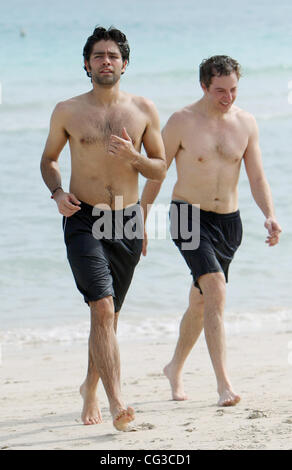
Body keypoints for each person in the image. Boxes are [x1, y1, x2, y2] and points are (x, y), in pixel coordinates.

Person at [40, 26, 166, 430]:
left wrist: (134, 157)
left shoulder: (144, 109)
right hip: (83, 218)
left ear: (124, 64)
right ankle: (117, 401)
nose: (105, 61)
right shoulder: (67, 110)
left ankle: (89, 388)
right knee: (103, 306)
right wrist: (58, 192)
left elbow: (161, 168)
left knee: (107, 319)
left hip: (126, 219)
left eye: (112, 55)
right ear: (86, 63)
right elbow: (49, 159)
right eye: (98, 55)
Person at [141, 55, 281, 407]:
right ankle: (224, 385)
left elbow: (257, 176)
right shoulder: (181, 122)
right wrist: (140, 219)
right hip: (187, 215)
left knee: (202, 301)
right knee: (215, 289)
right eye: (220, 90)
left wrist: (269, 215)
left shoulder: (246, 123)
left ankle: (174, 367)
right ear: (203, 85)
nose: (228, 97)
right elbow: (157, 172)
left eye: (233, 89)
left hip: (229, 222)